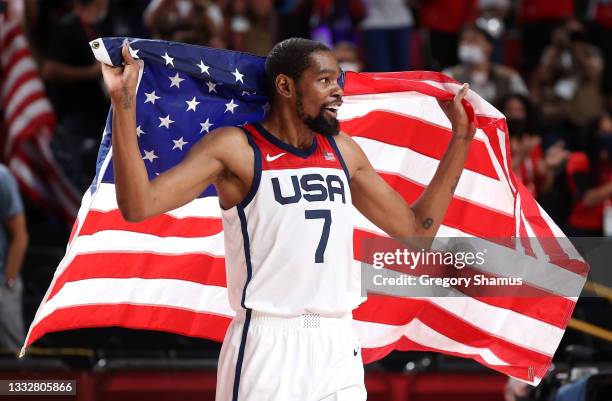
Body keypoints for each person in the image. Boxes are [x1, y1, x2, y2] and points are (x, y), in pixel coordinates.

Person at [100, 38, 476, 400]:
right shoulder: (236, 149)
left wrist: (461, 137)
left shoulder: (343, 151)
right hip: (268, 342)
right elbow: (139, 205)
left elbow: (415, 233)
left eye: (338, 81)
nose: (338, 92)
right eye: (325, 80)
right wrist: (124, 103)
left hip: (337, 340)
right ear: (285, 86)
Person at [443, 24, 528, 105]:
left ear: (489, 46)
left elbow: (524, 106)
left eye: (474, 40)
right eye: (464, 40)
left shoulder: (509, 77)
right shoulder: (450, 76)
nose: (467, 45)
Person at [0, 164, 29, 355]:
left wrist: (8, 281)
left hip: (1, 283)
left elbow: (20, 235)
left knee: (15, 356)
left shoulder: (2, 177)